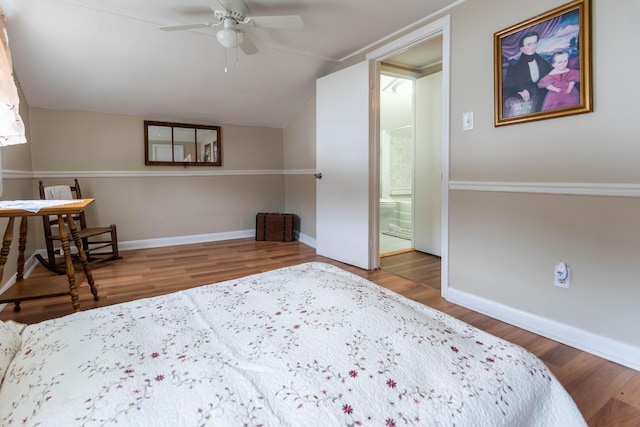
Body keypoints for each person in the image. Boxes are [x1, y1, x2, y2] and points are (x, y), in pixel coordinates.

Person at [502, 31, 552, 116]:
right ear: (521, 48)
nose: (533, 47)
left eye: (534, 43)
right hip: (525, 106)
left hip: (544, 101)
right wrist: (515, 96)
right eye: (529, 44)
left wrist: (530, 90)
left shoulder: (544, 63)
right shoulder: (514, 67)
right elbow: (507, 88)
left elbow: (548, 81)